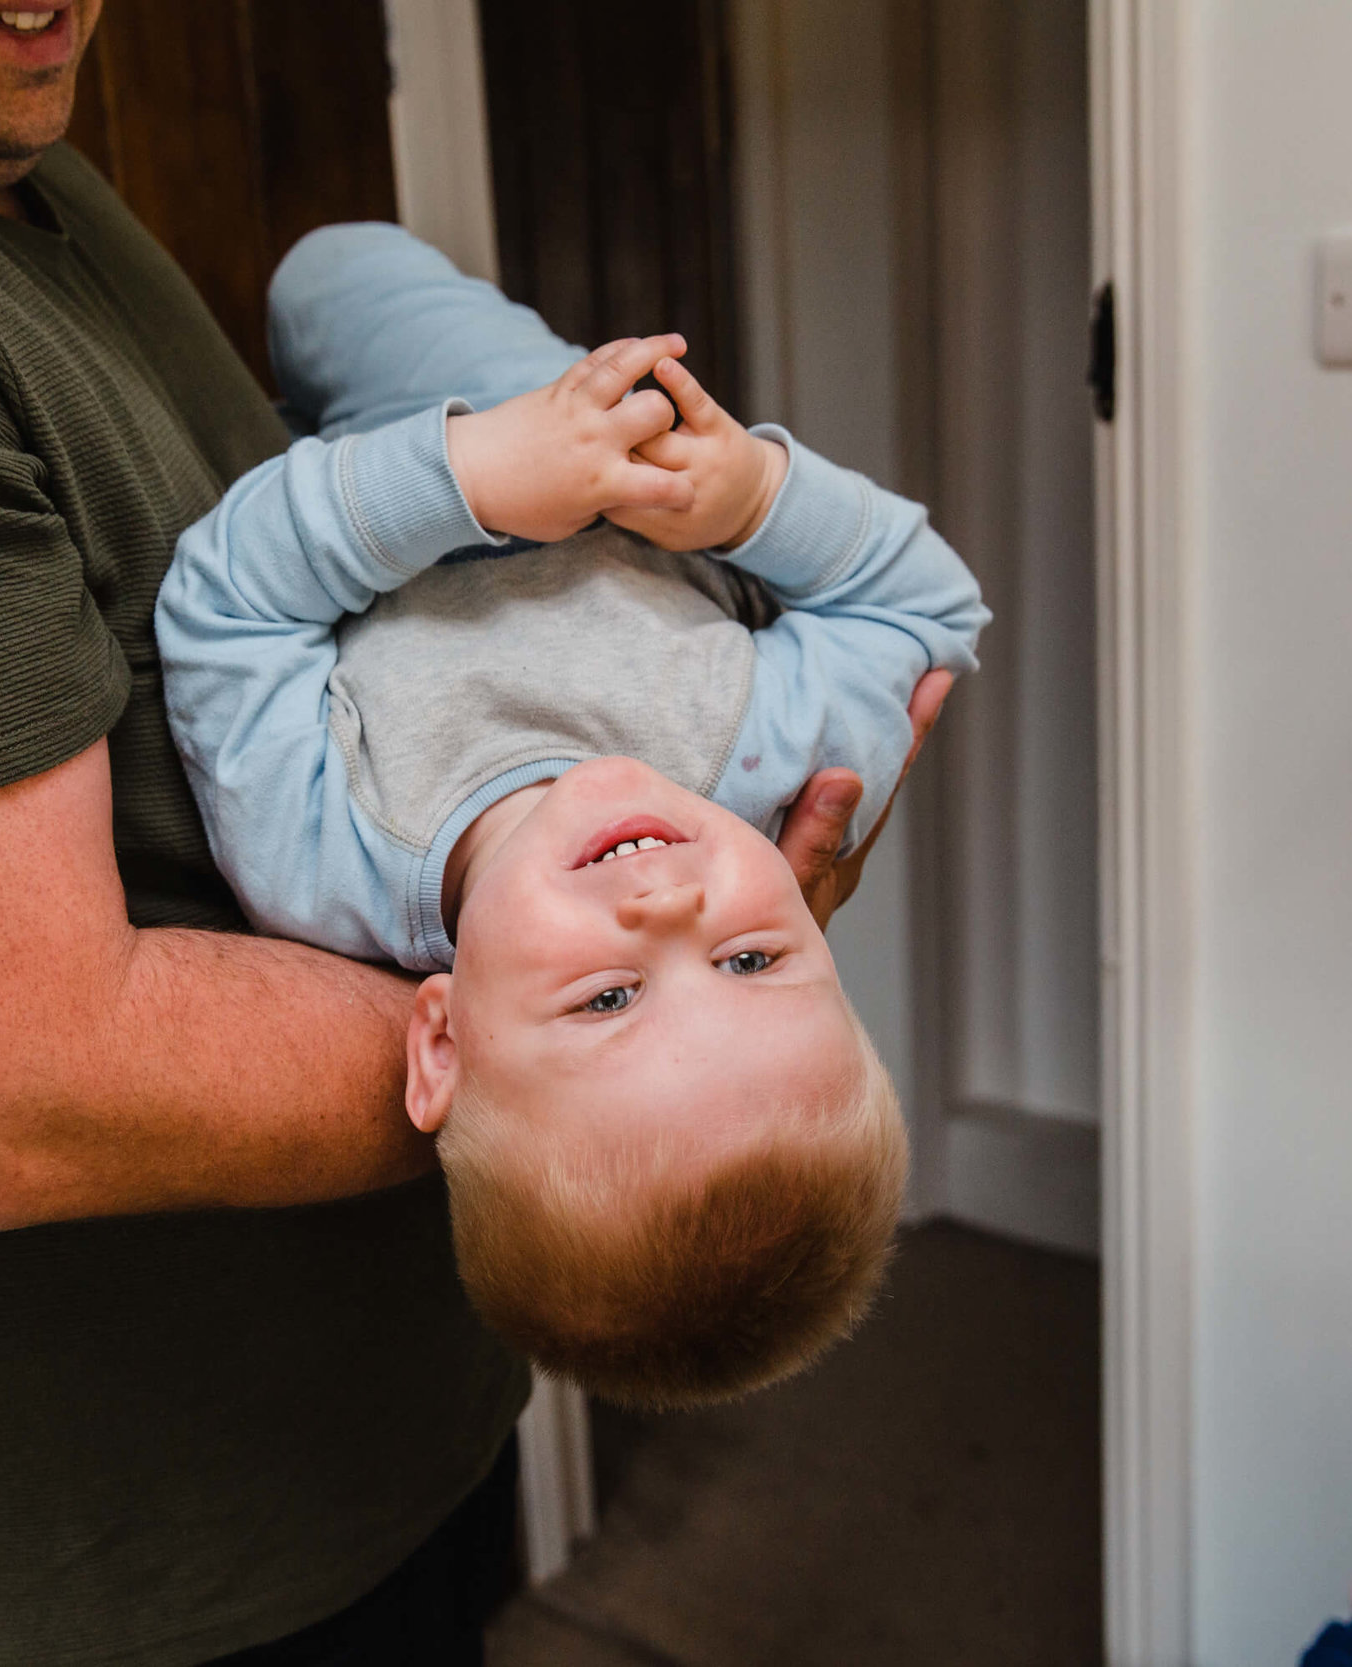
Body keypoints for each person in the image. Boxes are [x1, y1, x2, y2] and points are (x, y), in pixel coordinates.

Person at [0, 2, 919, 1661]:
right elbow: (36, 1088)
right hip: (135, 1562)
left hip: (346, 1451)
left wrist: (695, 967)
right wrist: (656, 976)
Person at [157, 225, 986, 1406]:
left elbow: (228, 610)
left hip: (407, 480)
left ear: (441, 1040)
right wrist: (750, 499)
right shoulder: (768, 759)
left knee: (240, 393)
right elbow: (926, 600)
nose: (667, 903)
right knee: (326, 270)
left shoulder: (319, 861)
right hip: (543, 424)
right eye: (752, 955)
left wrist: (466, 479)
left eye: (608, 997)